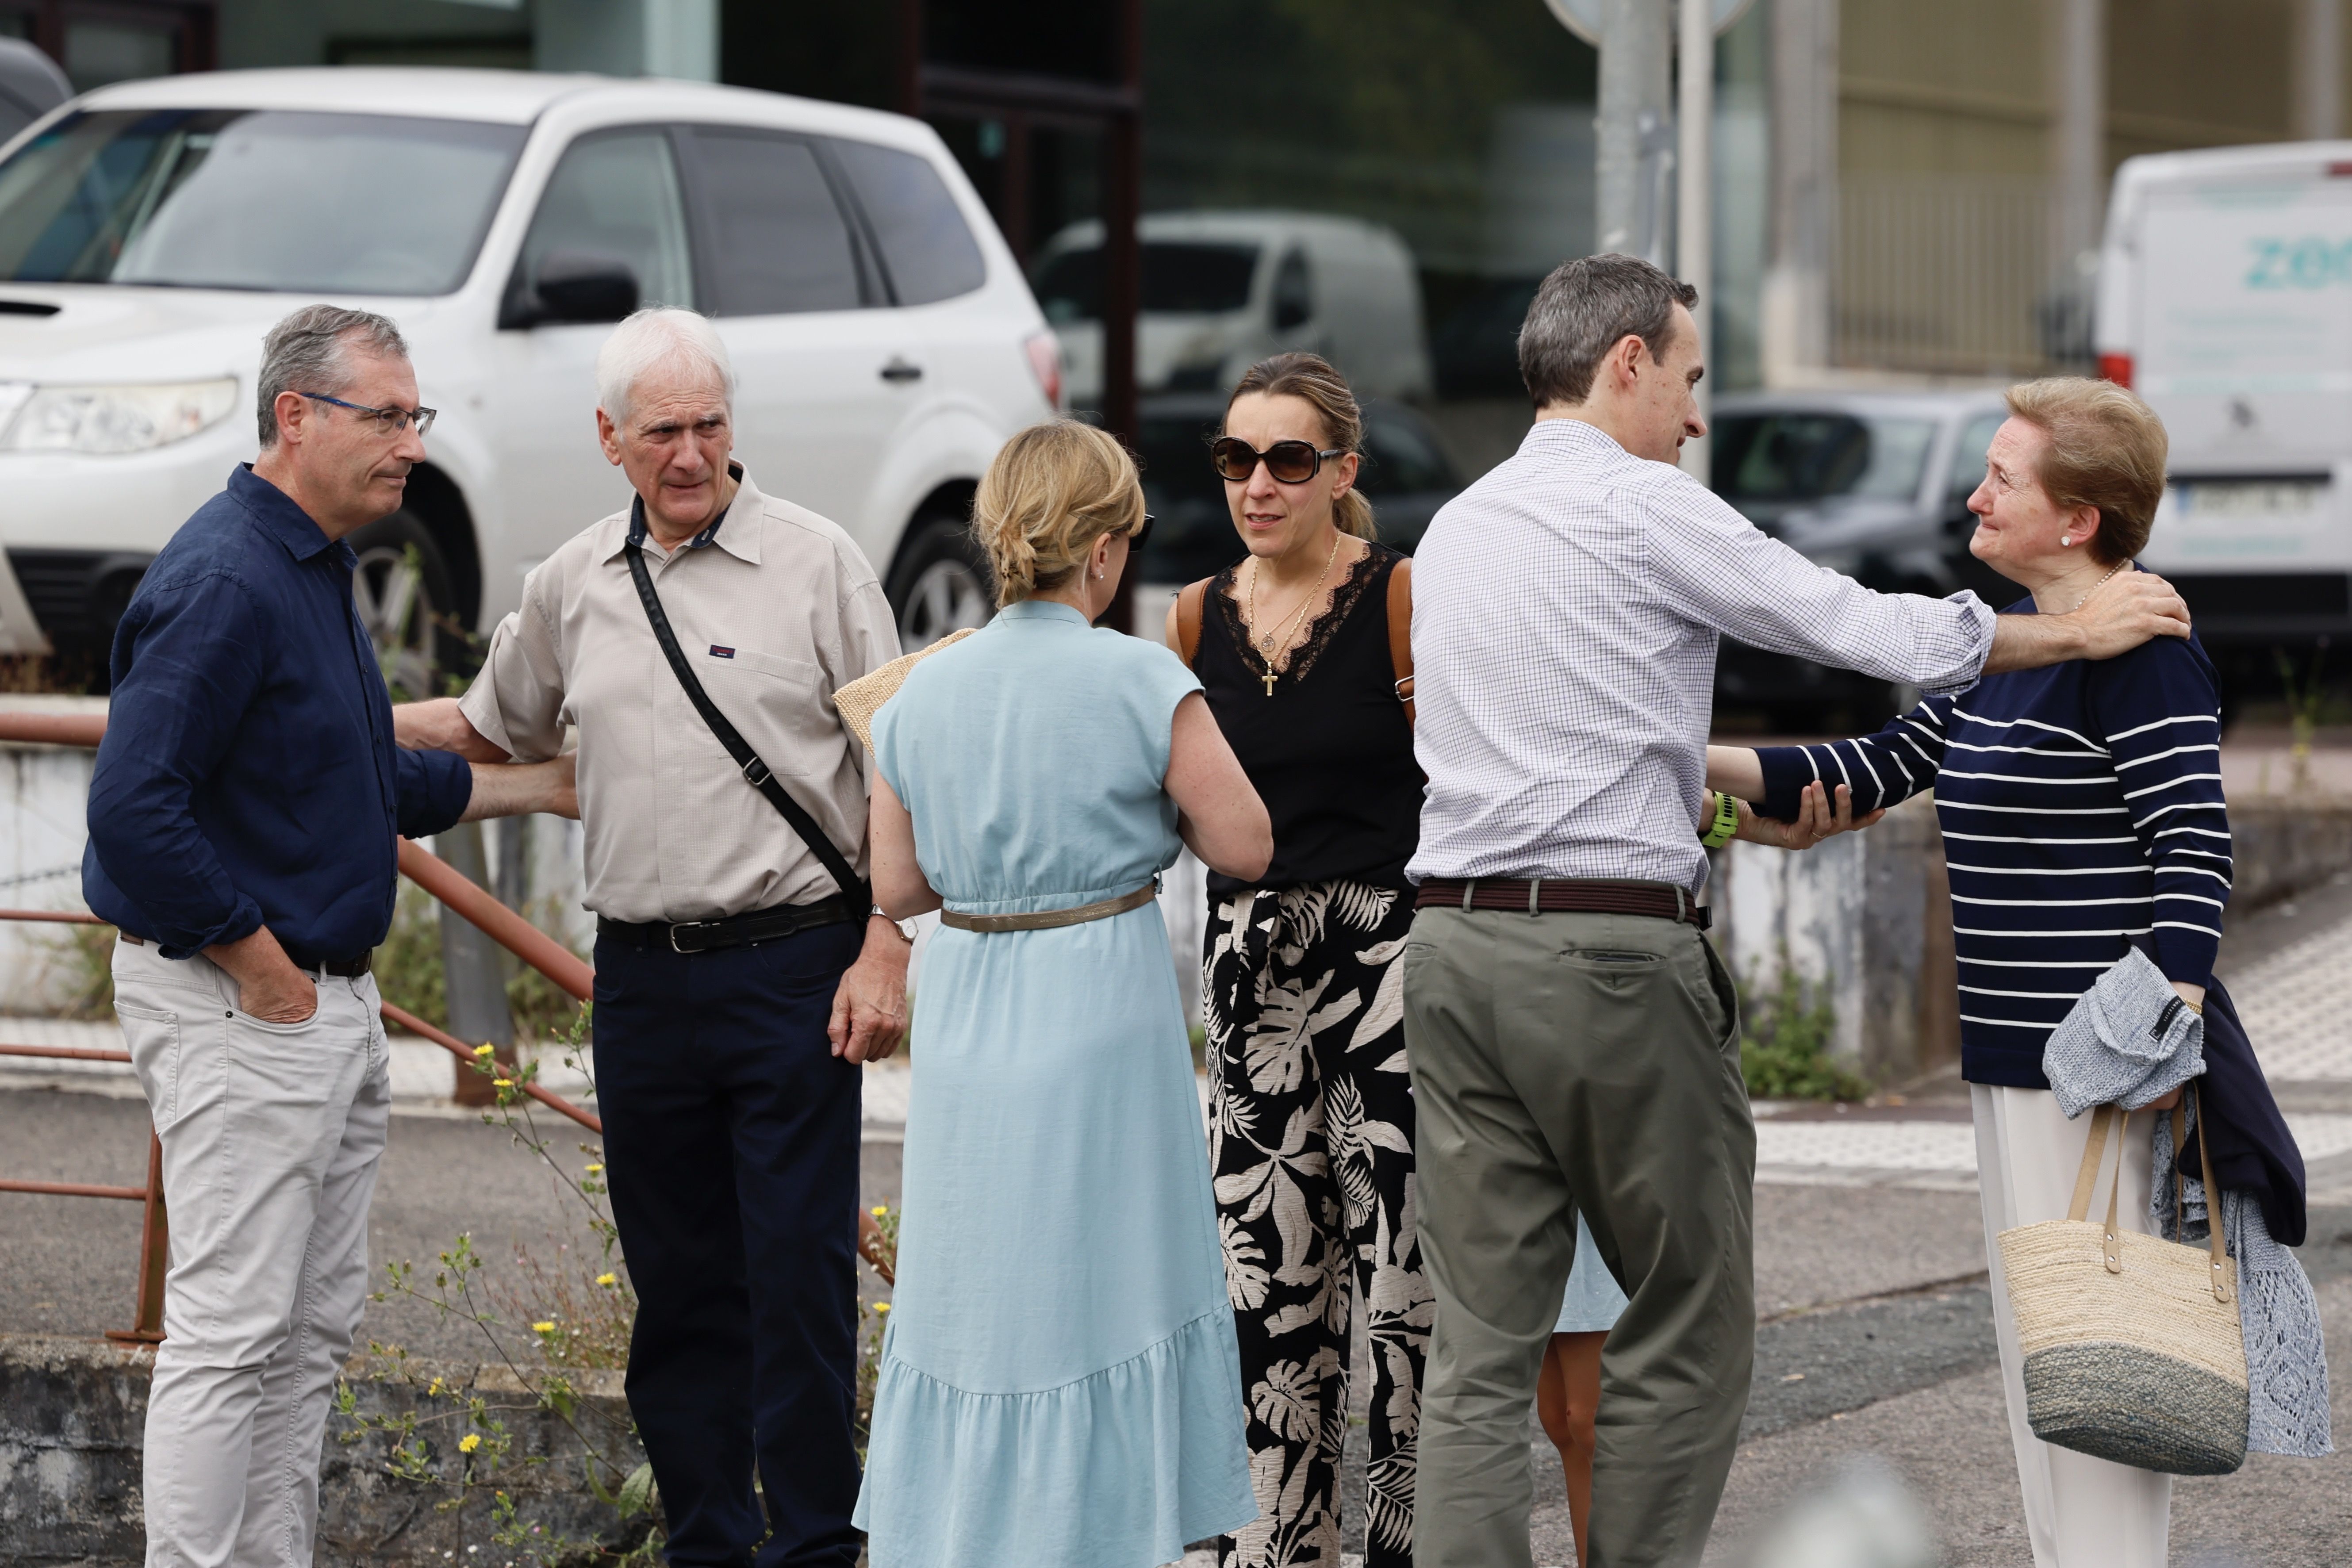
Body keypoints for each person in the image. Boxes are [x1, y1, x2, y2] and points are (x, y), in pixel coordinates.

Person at [1400, 253, 2195, 1568]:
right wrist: (2067, 634)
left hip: (1456, 949)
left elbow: (1588, 734)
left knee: (1479, 1342)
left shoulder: (1461, 527)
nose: (1699, 415)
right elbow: (1852, 625)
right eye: (1694, 378)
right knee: (1689, 1308)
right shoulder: (1645, 505)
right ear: (1629, 364)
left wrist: (1702, 779)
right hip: (1608, 959)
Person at [394, 307, 908, 1567]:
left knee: (796, 1278)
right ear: (610, 438)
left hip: (796, 961)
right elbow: (493, 727)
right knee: (679, 1288)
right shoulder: (573, 584)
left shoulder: (821, 560)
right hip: (640, 981)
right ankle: (709, 1542)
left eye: (711, 425)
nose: (692, 455)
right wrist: (320, 720)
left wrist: (888, 939)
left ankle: (818, 1545)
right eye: (664, 431)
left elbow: (906, 760)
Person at [85, 303, 577, 1568]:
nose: (413, 442)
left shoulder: (309, 561)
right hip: (252, 1004)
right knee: (231, 1331)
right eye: (389, 416)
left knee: (305, 1337)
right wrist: (264, 971)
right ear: (295, 416)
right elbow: (134, 810)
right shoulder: (225, 578)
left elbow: (360, 781)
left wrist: (543, 781)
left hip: (316, 1007)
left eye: (418, 416)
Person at [1706, 378, 2226, 1568]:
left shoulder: (2139, 650)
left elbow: (2195, 849)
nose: (1974, 495)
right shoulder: (2012, 650)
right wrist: (1688, 761)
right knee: (2048, 1387)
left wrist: (2163, 1037)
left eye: (2003, 474)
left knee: (2103, 1395)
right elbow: (1874, 764)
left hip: (2099, 1072)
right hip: (2007, 1067)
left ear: (2080, 517)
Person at [854, 419, 1269, 1567]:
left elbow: (897, 882)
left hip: (977, 1008)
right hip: (1101, 1011)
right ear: (1101, 552)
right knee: (1106, 1289)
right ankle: (1095, 1535)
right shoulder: (1142, 676)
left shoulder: (918, 696)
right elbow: (1243, 840)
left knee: (979, 1293)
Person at [1156, 351, 1429, 1568]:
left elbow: (1458, 774)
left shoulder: (1401, 595)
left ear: (1342, 473)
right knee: (1269, 1291)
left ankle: (1406, 1545)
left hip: (1388, 963)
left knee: (1403, 1282)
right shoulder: (1191, 615)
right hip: (1248, 969)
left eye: (1287, 459)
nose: (1257, 483)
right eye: (1235, 458)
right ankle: (1282, 1552)